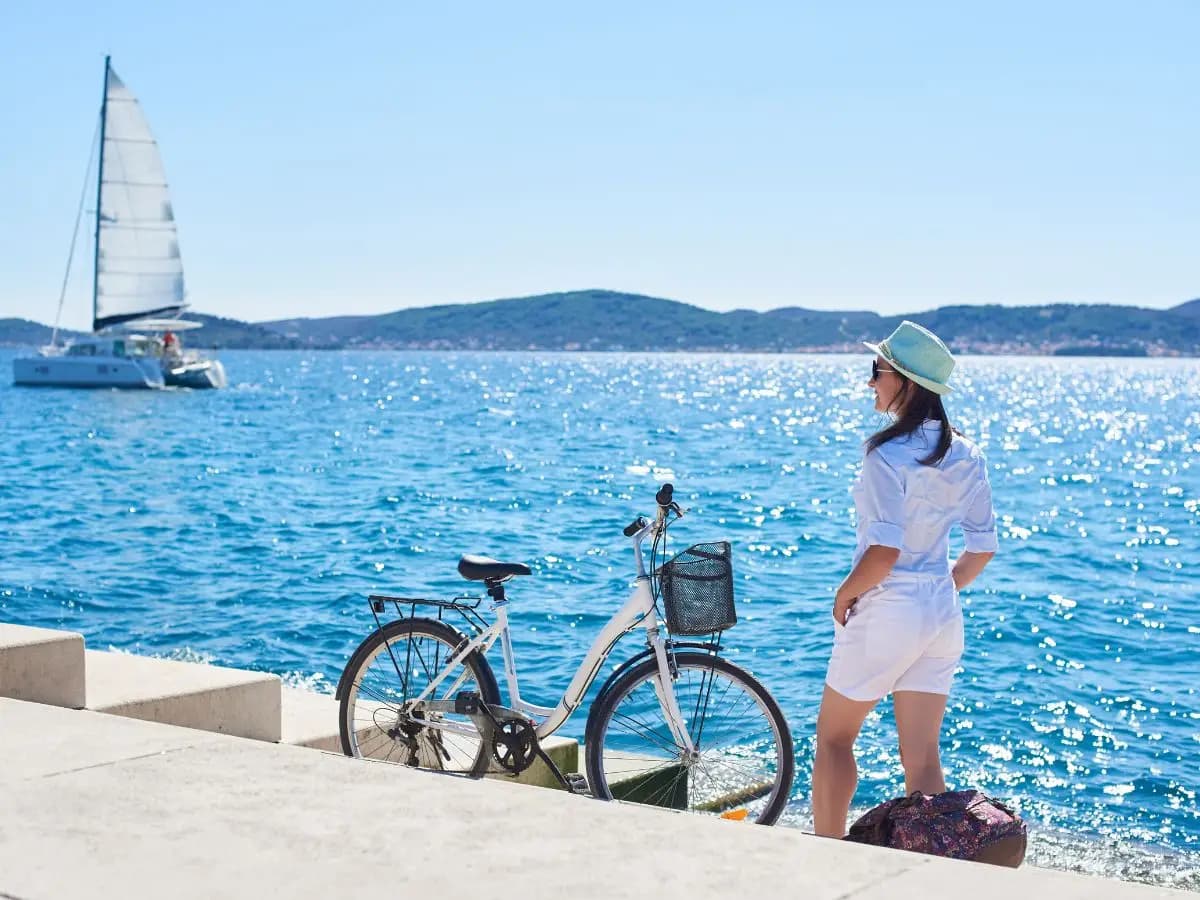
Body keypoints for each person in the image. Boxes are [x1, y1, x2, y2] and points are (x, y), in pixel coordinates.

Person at [811, 320, 998, 838]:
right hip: (941, 612)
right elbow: (982, 548)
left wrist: (843, 594)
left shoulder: (886, 453)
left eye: (878, 371)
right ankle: (936, 864)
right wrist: (936, 594)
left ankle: (826, 854)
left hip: (890, 608)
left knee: (833, 739)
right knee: (921, 760)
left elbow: (883, 554)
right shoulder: (967, 453)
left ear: (907, 383)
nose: (870, 382)